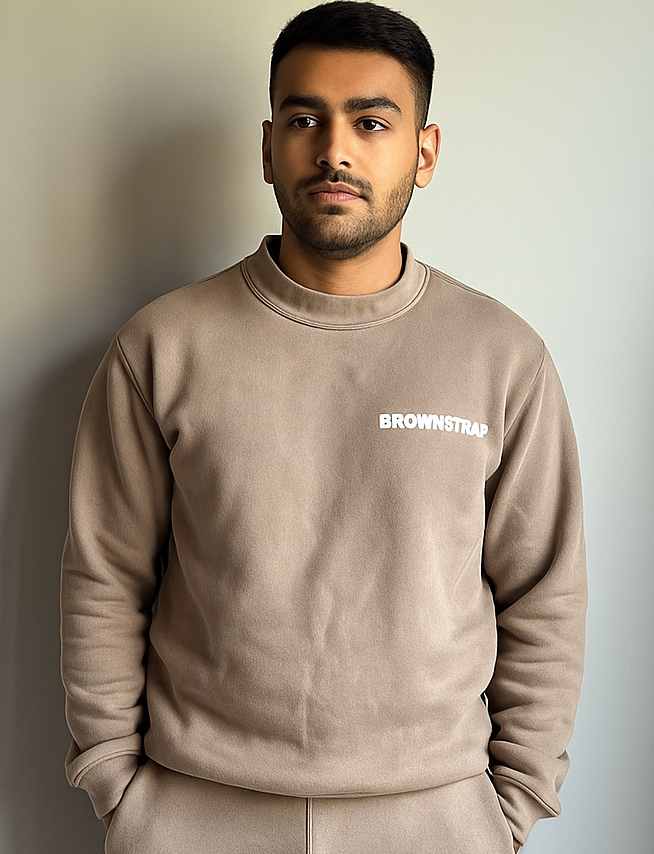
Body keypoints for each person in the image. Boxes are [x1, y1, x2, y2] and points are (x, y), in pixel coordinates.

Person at [60, 3, 587, 853]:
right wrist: (119, 786)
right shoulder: (160, 346)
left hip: (438, 820)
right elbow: (104, 577)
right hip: (193, 814)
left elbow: (545, 591)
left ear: (424, 153)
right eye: (306, 119)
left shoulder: (503, 357)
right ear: (269, 147)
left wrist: (513, 799)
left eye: (371, 122)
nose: (334, 150)